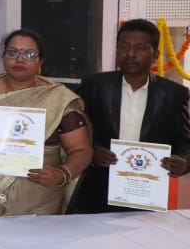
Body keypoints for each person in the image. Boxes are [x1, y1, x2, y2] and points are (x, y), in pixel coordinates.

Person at [0, 29, 93, 217]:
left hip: (39, 198)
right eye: (12, 52)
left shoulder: (58, 98)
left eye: (29, 54)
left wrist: (61, 174)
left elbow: (81, 150)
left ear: (40, 61)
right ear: (3, 57)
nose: (20, 59)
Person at [71, 19, 190, 213]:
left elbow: (185, 142)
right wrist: (92, 153)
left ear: (155, 55)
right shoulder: (95, 86)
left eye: (140, 48)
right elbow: (76, 131)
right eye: (124, 47)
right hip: (96, 190)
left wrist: (184, 162)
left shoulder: (174, 94)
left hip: (146, 193)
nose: (130, 54)